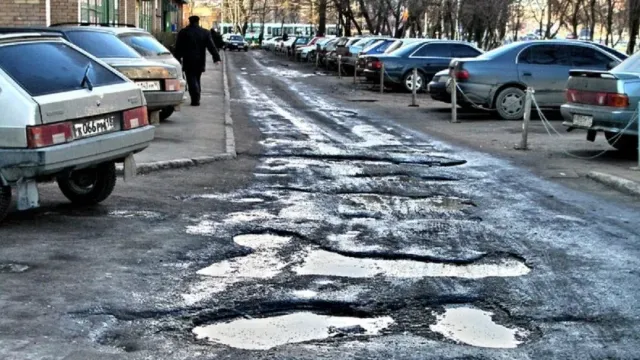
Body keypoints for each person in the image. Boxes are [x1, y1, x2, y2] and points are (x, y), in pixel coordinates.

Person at [174, 16, 221, 106]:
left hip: (188, 59)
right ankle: (197, 97)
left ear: (190, 21)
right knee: (197, 78)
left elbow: (178, 47)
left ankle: (195, 98)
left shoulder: (183, 32)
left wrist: (178, 59)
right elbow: (211, 46)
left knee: (191, 79)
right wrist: (216, 58)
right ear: (198, 22)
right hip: (200, 60)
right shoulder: (205, 32)